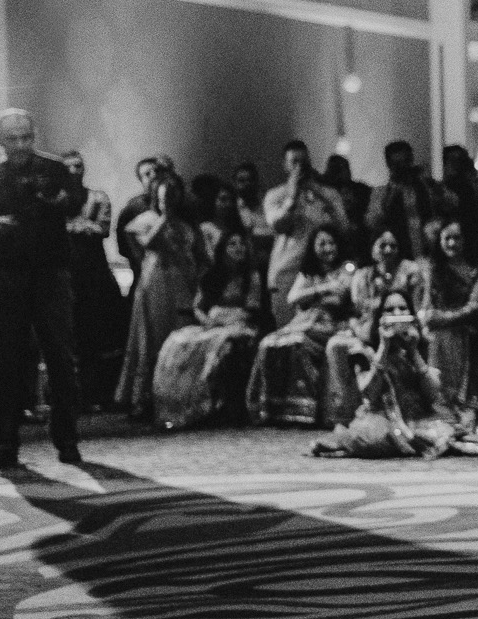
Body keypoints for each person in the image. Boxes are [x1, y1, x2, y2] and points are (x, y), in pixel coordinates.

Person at [0, 110, 88, 468]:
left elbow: (78, 203)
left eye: (26, 137)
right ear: (0, 141)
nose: (20, 145)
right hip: (5, 275)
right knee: (3, 364)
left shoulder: (54, 167)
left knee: (62, 361)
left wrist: (59, 202)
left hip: (51, 273)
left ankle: (67, 440)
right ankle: (4, 446)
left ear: (35, 136)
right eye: (12, 138)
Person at [311, 291, 478, 459]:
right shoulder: (365, 351)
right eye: (390, 310)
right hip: (380, 418)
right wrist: (384, 347)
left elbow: (434, 394)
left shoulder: (420, 345)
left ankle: (404, 443)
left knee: (438, 433)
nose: (397, 314)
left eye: (403, 308)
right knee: (372, 439)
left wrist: (413, 352)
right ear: (380, 318)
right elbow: (370, 393)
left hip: (418, 419)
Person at [153, 229, 266, 429]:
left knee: (222, 345)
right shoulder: (213, 275)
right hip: (212, 325)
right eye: (232, 244)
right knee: (178, 343)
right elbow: (197, 307)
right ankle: (184, 408)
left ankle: (219, 407)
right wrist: (208, 321)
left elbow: (252, 309)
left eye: (241, 244)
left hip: (240, 324)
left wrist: (222, 316)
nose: (238, 248)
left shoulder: (251, 276)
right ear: (223, 249)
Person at [115, 174, 201, 425]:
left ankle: (180, 398)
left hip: (182, 283)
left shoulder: (188, 225)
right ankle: (144, 399)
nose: (169, 201)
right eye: (164, 197)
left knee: (180, 338)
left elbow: (201, 254)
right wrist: (166, 217)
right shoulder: (147, 220)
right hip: (155, 282)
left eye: (173, 197)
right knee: (151, 339)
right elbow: (148, 243)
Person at [249, 225, 354, 427]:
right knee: (268, 344)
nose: (327, 248)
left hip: (331, 326)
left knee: (297, 344)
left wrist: (313, 295)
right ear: (313, 248)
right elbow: (293, 297)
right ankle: (271, 410)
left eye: (331, 243)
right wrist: (324, 289)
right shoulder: (308, 273)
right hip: (304, 324)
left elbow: (340, 299)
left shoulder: (346, 269)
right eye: (321, 243)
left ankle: (303, 411)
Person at [325, 229, 427, 428]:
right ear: (372, 249)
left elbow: (417, 308)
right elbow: (356, 312)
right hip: (369, 333)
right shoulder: (363, 275)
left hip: (406, 329)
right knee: (336, 345)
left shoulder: (410, 271)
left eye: (393, 245)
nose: (388, 250)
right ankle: (346, 415)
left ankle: (404, 412)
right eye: (382, 245)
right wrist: (366, 333)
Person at [61, 151, 128, 411]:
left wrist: (71, 226)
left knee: (97, 336)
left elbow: (101, 229)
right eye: (69, 167)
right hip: (65, 275)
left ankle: (96, 394)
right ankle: (70, 396)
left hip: (94, 275)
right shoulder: (55, 200)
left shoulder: (97, 197)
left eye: (79, 166)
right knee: (68, 338)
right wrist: (81, 226)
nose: (75, 171)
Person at [263, 140, 350, 329]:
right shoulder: (275, 196)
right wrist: (292, 196)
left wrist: (318, 191)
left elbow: (343, 227)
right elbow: (278, 225)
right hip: (286, 271)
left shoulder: (328, 194)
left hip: (319, 271)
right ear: (285, 166)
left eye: (304, 162)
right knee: (286, 333)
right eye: (294, 162)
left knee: (322, 327)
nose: (300, 167)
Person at [422, 220, 478, 412]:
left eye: (456, 238)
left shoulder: (477, 269)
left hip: (470, 329)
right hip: (438, 330)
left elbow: (475, 306)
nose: (451, 243)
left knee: (448, 334)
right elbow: (427, 303)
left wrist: (444, 319)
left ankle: (461, 403)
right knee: (434, 337)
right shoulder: (434, 268)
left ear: (465, 240)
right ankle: (442, 403)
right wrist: (426, 319)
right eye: (447, 238)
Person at [367, 140, 445, 261]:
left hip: (430, 252)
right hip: (398, 254)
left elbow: (451, 203)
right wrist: (391, 194)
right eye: (397, 164)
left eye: (406, 162)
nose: (403, 168)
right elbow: (372, 221)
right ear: (389, 165)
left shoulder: (426, 186)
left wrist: (429, 181)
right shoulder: (382, 192)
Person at [114, 157, 161, 274]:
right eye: (147, 174)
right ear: (141, 180)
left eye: (157, 171)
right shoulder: (133, 207)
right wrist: (139, 260)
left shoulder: (177, 204)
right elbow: (123, 244)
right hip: (143, 271)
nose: (153, 175)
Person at [322, 153, 372, 257]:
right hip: (334, 239)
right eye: (337, 169)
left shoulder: (361, 190)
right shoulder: (325, 193)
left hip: (359, 240)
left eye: (344, 169)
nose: (341, 173)